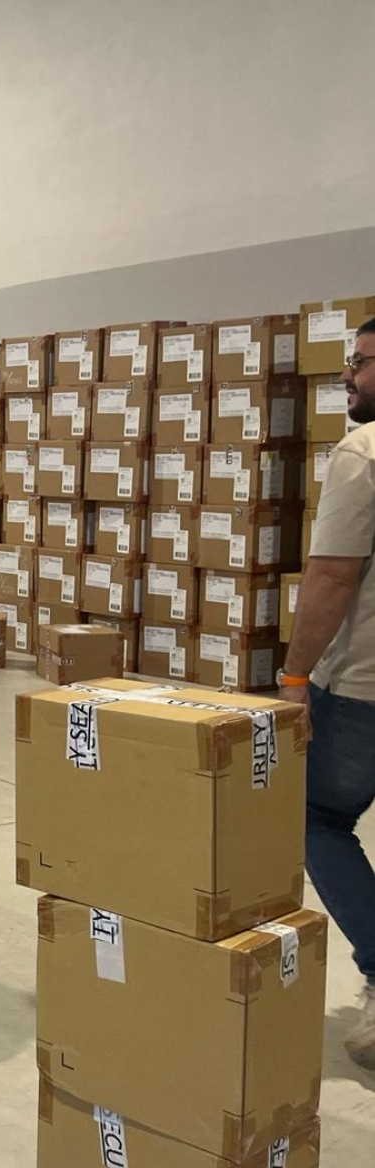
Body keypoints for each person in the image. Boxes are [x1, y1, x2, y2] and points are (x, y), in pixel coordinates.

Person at [279, 315, 375, 1072]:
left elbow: (333, 575)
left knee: (316, 819)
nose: (348, 374)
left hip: (364, 691)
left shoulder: (363, 452)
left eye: (363, 362)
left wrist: (293, 678)